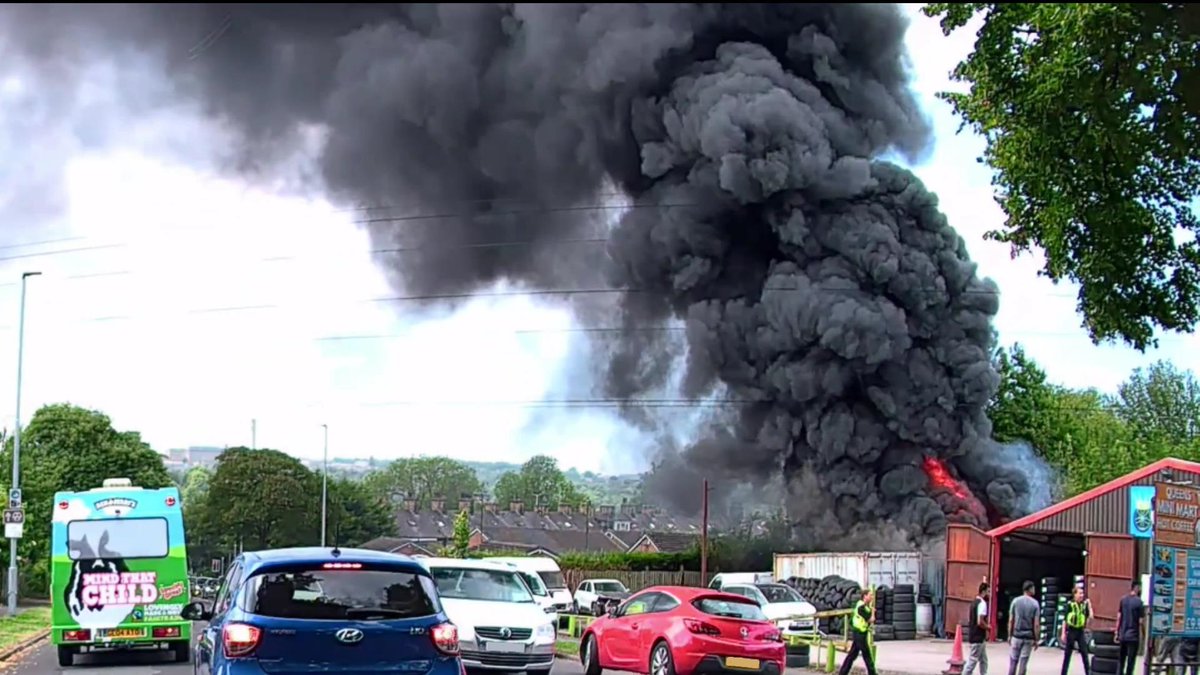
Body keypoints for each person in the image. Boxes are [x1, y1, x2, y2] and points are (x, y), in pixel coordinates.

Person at [838, 588, 878, 675]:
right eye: (870, 595)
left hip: (860, 632)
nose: (872, 597)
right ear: (865, 596)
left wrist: (871, 610)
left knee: (852, 655)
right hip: (860, 633)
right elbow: (871, 620)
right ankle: (873, 673)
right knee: (867, 655)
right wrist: (873, 612)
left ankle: (843, 672)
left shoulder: (864, 606)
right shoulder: (861, 607)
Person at [1008, 580, 1040, 675]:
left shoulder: (1015, 601)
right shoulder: (1035, 604)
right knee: (1023, 662)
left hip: (1016, 636)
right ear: (1029, 589)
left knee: (1013, 661)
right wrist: (1036, 639)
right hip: (1028, 637)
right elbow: (1036, 624)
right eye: (1033, 588)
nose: (1034, 590)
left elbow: (1011, 620)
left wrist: (1010, 635)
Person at [1061, 585, 1093, 675]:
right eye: (1080, 593)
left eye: (1082, 593)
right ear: (1074, 594)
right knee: (1067, 655)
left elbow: (1090, 617)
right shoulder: (1070, 604)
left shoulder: (1084, 605)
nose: (1081, 595)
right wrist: (1063, 633)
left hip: (1080, 631)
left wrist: (1090, 606)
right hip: (1071, 631)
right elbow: (1065, 619)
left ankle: (1088, 673)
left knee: (1084, 654)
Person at [1116, 580, 1144, 675]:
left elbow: (1119, 617)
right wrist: (1142, 634)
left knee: (1121, 660)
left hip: (1123, 635)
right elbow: (1140, 622)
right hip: (1133, 636)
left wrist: (1117, 632)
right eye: (1140, 587)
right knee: (1131, 661)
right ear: (1136, 588)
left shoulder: (1123, 600)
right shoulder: (1139, 602)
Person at [964, 582, 990, 675]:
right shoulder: (982, 603)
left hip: (974, 635)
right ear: (983, 591)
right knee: (972, 661)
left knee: (983, 660)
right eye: (988, 591)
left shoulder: (974, 602)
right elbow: (980, 621)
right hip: (978, 636)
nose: (989, 594)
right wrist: (988, 627)